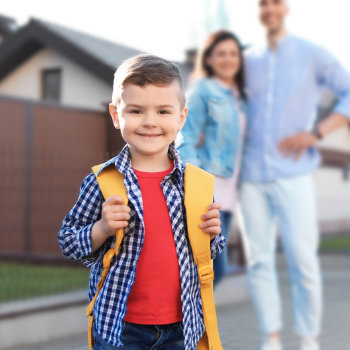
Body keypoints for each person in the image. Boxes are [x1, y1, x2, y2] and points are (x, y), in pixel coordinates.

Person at [57, 54, 225, 350]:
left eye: (163, 111)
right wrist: (101, 228)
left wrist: (212, 235)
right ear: (115, 114)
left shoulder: (197, 184)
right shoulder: (103, 181)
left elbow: (208, 252)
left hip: (182, 327)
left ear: (181, 117)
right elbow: (69, 241)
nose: (150, 122)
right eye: (135, 110)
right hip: (119, 327)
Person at [240, 1, 350, 350]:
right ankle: (270, 337)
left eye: (274, 2)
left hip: (294, 173)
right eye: (262, 4)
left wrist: (316, 133)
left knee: (303, 260)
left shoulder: (313, 54)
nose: (268, 9)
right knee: (259, 260)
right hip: (251, 173)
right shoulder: (245, 60)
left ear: (285, 7)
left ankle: (308, 339)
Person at [177, 30, 247, 286]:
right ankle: (184, 323)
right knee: (213, 268)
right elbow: (186, 137)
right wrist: (195, 187)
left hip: (229, 192)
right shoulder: (203, 90)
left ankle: (191, 323)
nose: (228, 59)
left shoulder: (238, 96)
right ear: (208, 59)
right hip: (210, 190)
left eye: (232, 53)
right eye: (221, 54)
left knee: (212, 270)